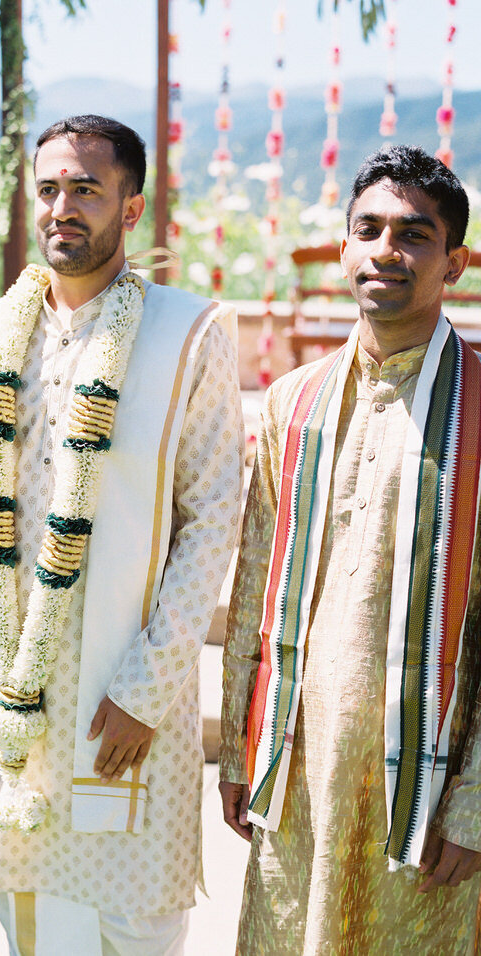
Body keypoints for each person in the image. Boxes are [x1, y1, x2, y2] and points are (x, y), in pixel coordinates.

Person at [0, 114, 243, 955]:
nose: (63, 207)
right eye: (51, 188)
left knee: (131, 933)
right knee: (23, 923)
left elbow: (212, 520)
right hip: (8, 703)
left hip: (122, 699)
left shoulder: (190, 333)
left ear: (131, 208)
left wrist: (145, 688)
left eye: (87, 190)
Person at [219, 143, 481, 954]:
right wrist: (238, 744)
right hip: (297, 776)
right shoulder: (291, 404)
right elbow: (256, 580)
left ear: (456, 261)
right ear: (343, 247)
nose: (386, 251)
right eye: (367, 229)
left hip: (428, 791)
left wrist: (474, 805)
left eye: (414, 234)